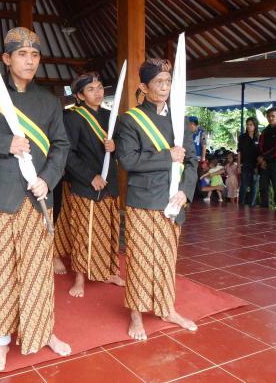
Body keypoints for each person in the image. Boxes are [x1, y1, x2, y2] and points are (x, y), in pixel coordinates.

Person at [0, 27, 71, 371]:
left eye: (35, 55)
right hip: (2, 197)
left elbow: (61, 146)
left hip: (37, 198)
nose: (29, 61)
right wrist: (4, 143)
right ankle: (0, 341)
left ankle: (43, 330)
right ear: (6, 59)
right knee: (1, 270)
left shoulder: (49, 101)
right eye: (22, 54)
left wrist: (48, 181)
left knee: (38, 270)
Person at [115, 58, 199, 341]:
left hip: (173, 200)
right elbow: (127, 160)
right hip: (143, 201)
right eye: (158, 83)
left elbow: (193, 160)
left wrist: (185, 191)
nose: (164, 88)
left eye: (167, 82)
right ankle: (136, 314)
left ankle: (166, 308)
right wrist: (167, 156)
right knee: (140, 259)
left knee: (167, 258)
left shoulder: (180, 119)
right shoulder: (129, 120)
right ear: (144, 86)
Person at [63, 72, 123, 298]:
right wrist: (90, 176)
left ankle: (111, 270)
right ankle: (80, 277)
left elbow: (123, 147)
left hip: (110, 184)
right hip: (86, 186)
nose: (98, 93)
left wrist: (115, 146)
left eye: (99, 88)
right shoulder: (73, 118)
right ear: (79, 95)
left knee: (110, 230)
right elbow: (68, 154)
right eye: (91, 89)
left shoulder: (111, 116)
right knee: (84, 232)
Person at [257, 107, 276, 211]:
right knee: (263, 188)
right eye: (269, 116)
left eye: (273, 116)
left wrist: (263, 157)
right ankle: (264, 210)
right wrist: (262, 160)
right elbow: (260, 146)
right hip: (264, 163)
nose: (271, 118)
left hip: (275, 163)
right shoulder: (265, 131)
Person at [237, 117, 260, 206]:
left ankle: (252, 206)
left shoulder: (259, 137)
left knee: (254, 188)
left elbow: (261, 152)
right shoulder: (242, 137)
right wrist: (238, 166)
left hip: (256, 166)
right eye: (247, 125)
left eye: (251, 125)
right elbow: (239, 152)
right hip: (245, 165)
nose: (248, 126)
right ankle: (241, 206)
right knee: (243, 187)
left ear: (255, 126)